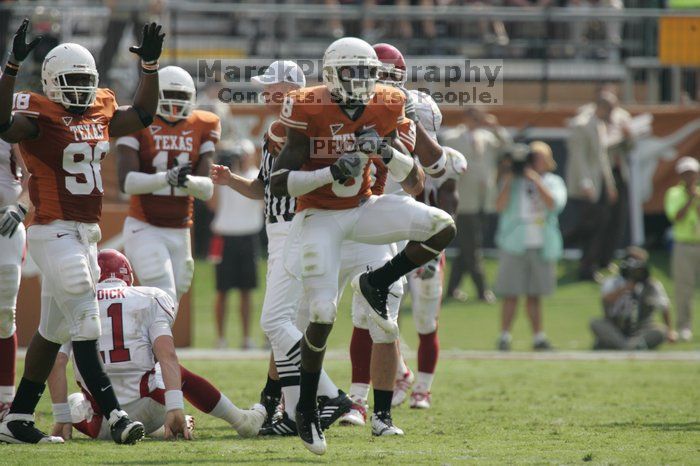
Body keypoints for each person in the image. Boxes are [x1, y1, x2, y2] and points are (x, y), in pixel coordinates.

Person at [270, 37, 455, 455]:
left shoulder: (387, 103)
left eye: (369, 72)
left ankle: (377, 283)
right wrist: (329, 172)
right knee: (320, 311)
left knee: (443, 227)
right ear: (332, 73)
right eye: (353, 72)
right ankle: (307, 413)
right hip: (318, 215)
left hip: (364, 206)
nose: (363, 80)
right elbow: (278, 182)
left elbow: (416, 183)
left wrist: (387, 152)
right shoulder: (307, 104)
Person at [0, 19, 164, 444]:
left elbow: (144, 114)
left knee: (53, 331)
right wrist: (13, 64)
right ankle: (116, 415)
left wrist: (149, 66)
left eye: (86, 81)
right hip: (52, 230)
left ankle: (16, 419)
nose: (79, 88)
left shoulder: (101, 108)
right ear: (53, 82)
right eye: (71, 81)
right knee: (87, 322)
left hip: (85, 233)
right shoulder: (39, 115)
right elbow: (3, 124)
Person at [211, 60, 353, 436]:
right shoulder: (278, 127)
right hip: (282, 228)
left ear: (290, 88)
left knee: (276, 322)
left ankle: (327, 396)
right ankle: (289, 412)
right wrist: (230, 181)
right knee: (285, 327)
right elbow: (262, 188)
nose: (263, 93)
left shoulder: (295, 125)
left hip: (295, 227)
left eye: (270, 87)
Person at [46, 249, 265, 441]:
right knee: (173, 370)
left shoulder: (74, 303)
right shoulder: (148, 298)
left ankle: (148, 428)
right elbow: (167, 354)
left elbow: (56, 361)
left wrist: (62, 417)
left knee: (74, 400)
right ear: (127, 275)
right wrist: (175, 406)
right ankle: (240, 420)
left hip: (103, 422)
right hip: (151, 406)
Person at [116, 65, 217, 309]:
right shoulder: (136, 121)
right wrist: (165, 178)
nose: (174, 103)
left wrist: (185, 181)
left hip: (181, 229)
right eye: (168, 96)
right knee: (163, 292)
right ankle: (154, 347)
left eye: (181, 96)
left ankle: (148, 346)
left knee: (172, 298)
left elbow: (206, 189)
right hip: (145, 225)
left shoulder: (204, 123)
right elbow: (126, 182)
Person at [494, 142, 567, 351]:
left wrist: (536, 180)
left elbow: (554, 205)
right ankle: (504, 336)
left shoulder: (553, 181)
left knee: (535, 294)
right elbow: (499, 206)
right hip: (514, 243)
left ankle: (538, 337)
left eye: (538, 157)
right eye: (531, 157)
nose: (534, 161)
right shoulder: (513, 181)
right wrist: (508, 180)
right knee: (510, 293)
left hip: (542, 244)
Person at [443, 107, 511, 303]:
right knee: (473, 248)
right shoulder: (452, 137)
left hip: (485, 199)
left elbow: (507, 147)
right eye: (473, 117)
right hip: (464, 199)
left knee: (468, 246)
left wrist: (496, 126)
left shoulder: (488, 137)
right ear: (465, 117)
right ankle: (483, 290)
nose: (476, 121)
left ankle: (451, 290)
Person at [566, 91, 629, 281]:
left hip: (598, 185)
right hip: (585, 187)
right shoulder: (581, 124)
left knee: (598, 225)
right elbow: (579, 157)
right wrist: (586, 182)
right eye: (610, 109)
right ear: (601, 107)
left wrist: (609, 185)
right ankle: (567, 244)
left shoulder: (599, 125)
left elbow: (602, 159)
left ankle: (588, 266)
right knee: (590, 224)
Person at [210, 141, 263, 350]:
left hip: (248, 237)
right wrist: (216, 175)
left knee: (246, 290)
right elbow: (212, 205)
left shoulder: (256, 175)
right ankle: (221, 338)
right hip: (224, 237)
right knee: (221, 290)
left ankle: (246, 338)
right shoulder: (224, 177)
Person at [590, 247, 676, 350]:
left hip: (641, 328)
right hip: (616, 327)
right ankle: (628, 346)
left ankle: (623, 345)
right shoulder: (613, 282)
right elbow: (606, 300)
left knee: (661, 331)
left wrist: (670, 331)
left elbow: (664, 306)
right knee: (595, 323)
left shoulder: (652, 285)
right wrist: (625, 288)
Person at [0, 140, 25, 421]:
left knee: (4, 313)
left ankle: (5, 399)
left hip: (4, 224)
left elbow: (34, 176)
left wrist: (20, 206)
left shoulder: (10, 125)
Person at [664, 156, 700, 342]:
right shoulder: (674, 193)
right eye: (686, 173)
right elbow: (676, 216)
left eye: (692, 173)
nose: (689, 177)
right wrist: (690, 199)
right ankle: (684, 326)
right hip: (684, 244)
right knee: (684, 288)